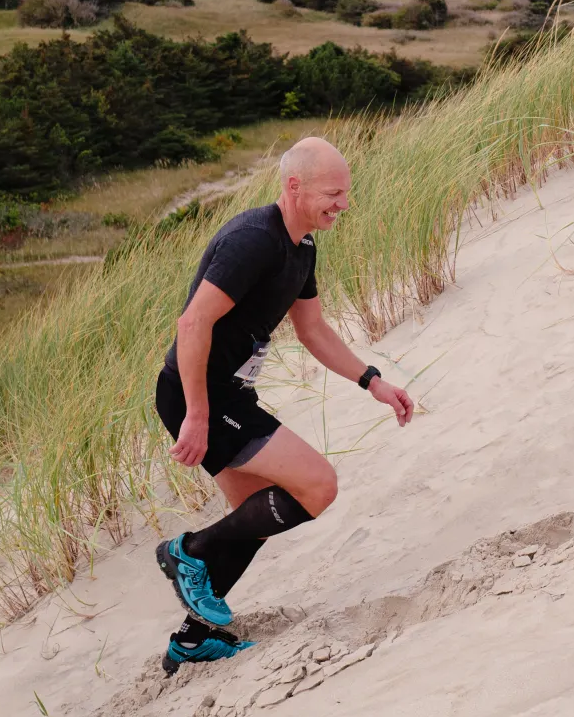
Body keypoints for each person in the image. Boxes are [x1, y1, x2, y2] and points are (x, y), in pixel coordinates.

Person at [154, 137, 414, 674]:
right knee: (318, 485)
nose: (343, 204)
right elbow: (192, 323)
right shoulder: (255, 240)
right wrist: (197, 415)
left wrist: (372, 381)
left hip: (227, 393)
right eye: (333, 193)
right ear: (294, 187)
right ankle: (188, 550)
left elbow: (312, 328)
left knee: (254, 518)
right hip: (196, 391)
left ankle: (195, 638)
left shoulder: (301, 247)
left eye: (346, 193)